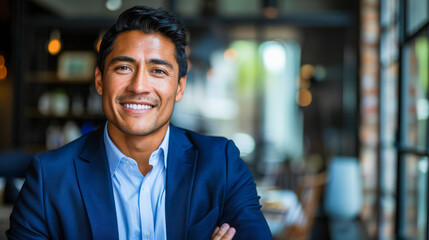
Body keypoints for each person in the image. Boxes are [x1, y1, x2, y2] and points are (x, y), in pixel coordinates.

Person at [7, 6, 272, 240]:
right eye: (124, 68)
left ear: (180, 87)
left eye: (158, 71)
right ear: (100, 80)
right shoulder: (49, 177)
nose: (139, 86)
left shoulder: (221, 163)